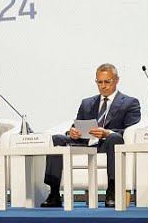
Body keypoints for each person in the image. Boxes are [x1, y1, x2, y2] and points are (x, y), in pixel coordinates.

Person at [41, 64, 141, 208]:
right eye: (99, 82)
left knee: (114, 138)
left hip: (107, 144)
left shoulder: (130, 103)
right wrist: (72, 132)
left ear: (117, 80)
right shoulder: (87, 103)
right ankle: (54, 193)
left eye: (107, 82)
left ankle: (112, 191)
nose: (103, 86)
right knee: (57, 139)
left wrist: (107, 133)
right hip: (86, 143)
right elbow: (76, 125)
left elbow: (130, 130)